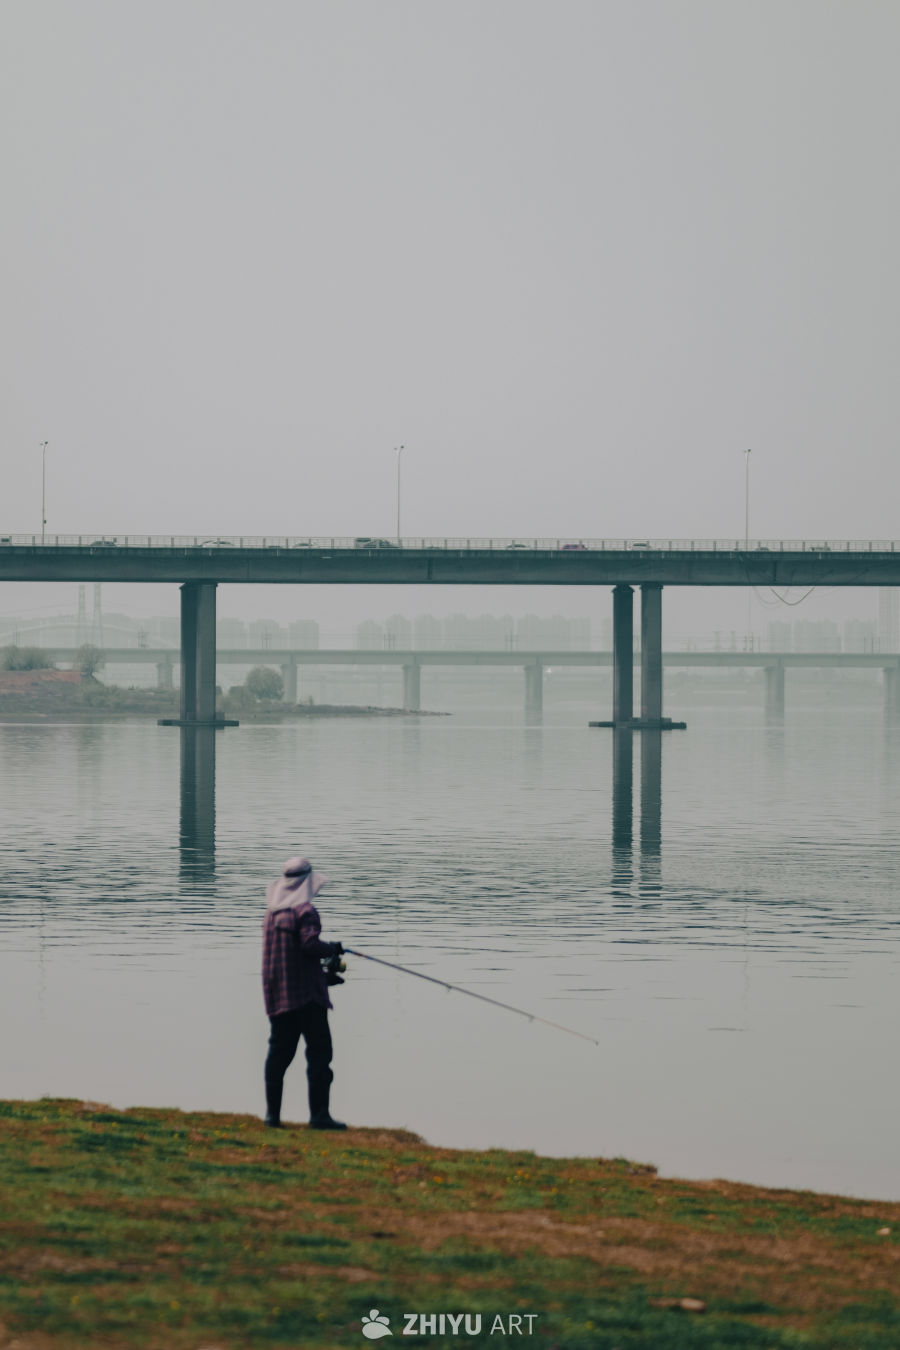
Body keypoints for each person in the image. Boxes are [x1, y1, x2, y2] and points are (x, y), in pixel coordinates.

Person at [262, 856, 347, 1130]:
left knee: (278, 1055)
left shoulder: (272, 915)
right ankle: (319, 1116)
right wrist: (333, 948)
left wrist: (324, 978)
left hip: (279, 995)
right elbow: (310, 945)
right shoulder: (305, 912)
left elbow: (291, 959)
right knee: (320, 1053)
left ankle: (272, 1116)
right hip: (308, 999)